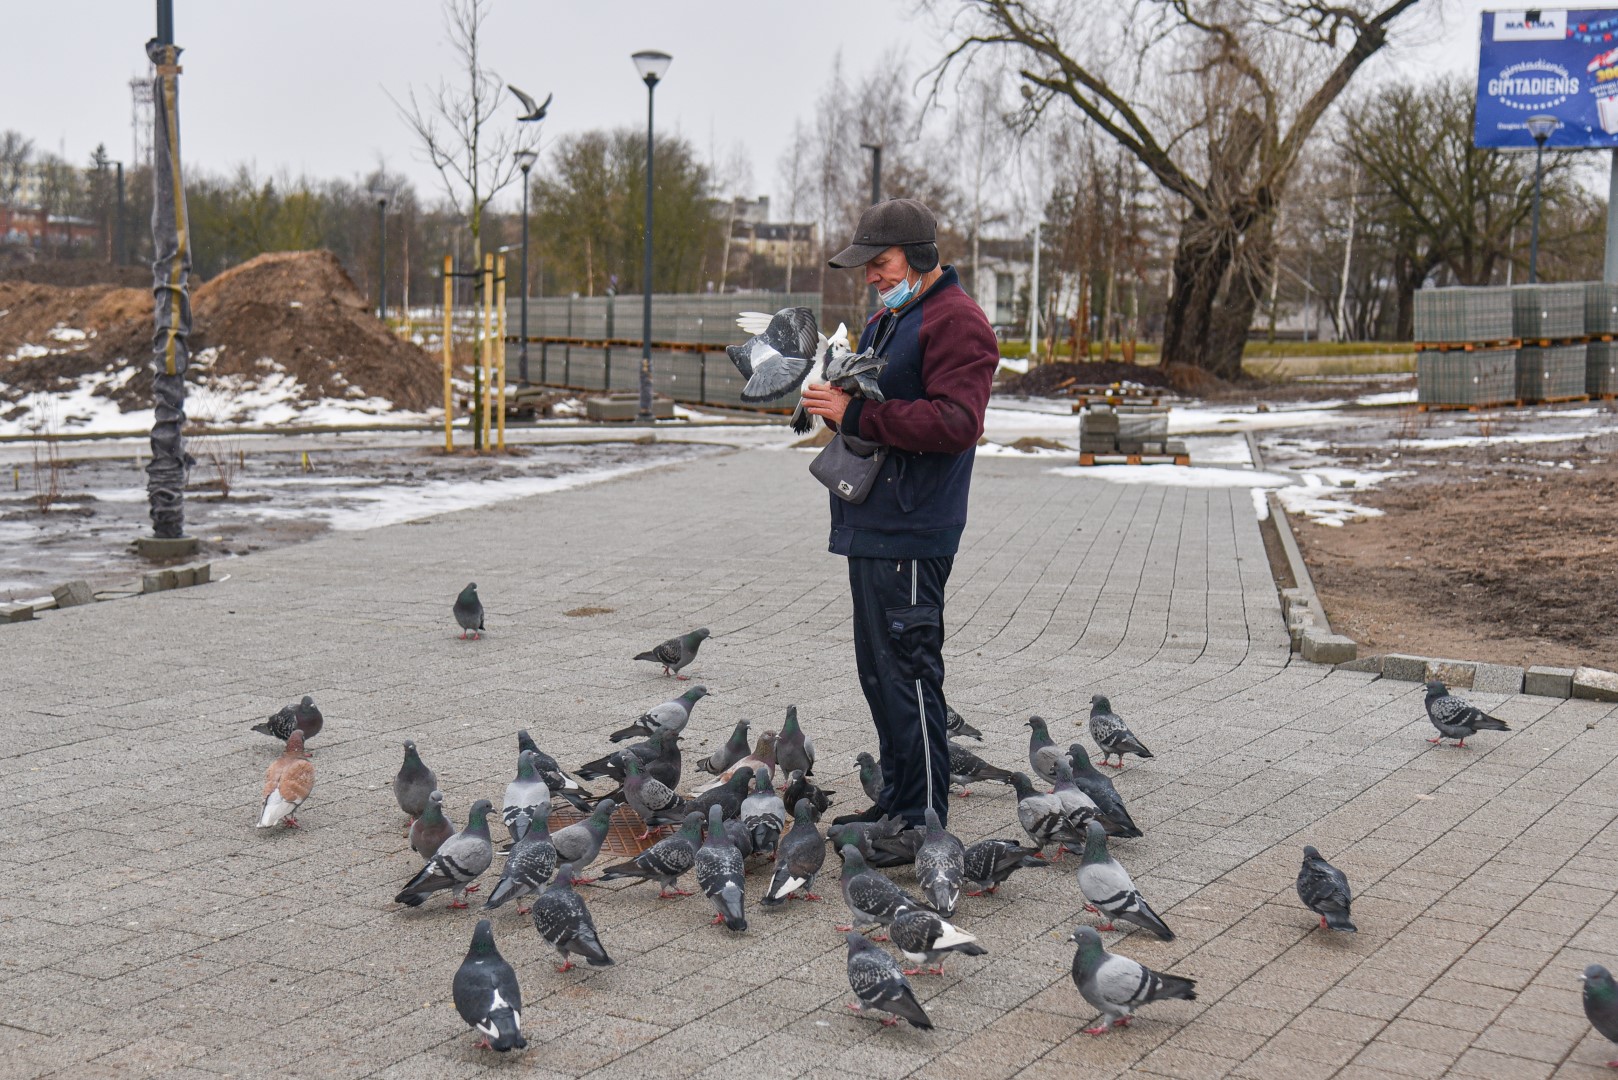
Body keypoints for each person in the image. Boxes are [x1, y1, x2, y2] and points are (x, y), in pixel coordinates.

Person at [803, 198, 999, 828]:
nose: (871, 277)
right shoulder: (895, 316)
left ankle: (921, 820)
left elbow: (958, 422)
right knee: (881, 673)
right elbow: (883, 398)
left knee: (910, 674)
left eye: (879, 264)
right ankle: (897, 801)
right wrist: (831, 396)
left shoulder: (957, 322)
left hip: (913, 528)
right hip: (875, 520)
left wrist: (853, 414)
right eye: (866, 267)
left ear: (918, 259)